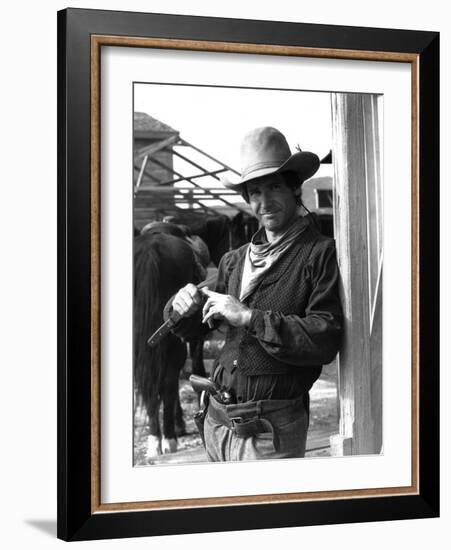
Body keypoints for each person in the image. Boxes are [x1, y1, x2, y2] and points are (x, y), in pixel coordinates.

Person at [166, 126, 343, 461]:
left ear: (295, 188)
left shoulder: (319, 254)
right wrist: (181, 305)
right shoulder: (235, 260)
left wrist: (249, 317)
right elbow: (196, 326)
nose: (264, 202)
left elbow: (325, 336)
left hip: (269, 433)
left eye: (274, 186)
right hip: (216, 424)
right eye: (255, 192)